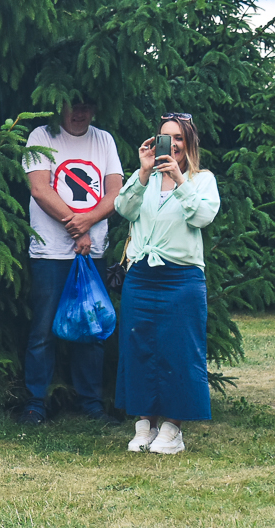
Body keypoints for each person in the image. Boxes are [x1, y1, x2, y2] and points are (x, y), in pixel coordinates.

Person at [114, 113, 220, 454]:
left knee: (179, 351)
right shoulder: (143, 178)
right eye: (165, 137)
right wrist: (144, 173)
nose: (171, 144)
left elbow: (203, 216)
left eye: (178, 138)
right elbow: (123, 208)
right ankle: (144, 425)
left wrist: (179, 180)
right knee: (140, 348)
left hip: (182, 277)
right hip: (142, 276)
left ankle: (172, 428)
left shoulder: (201, 180)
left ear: (189, 143)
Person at [18, 99, 123, 425]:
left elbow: (116, 193)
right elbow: (39, 188)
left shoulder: (103, 140)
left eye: (86, 105)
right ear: (59, 106)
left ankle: (91, 404)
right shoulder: (41, 136)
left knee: (91, 330)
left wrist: (87, 223)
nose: (80, 112)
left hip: (92, 252)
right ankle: (35, 403)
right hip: (50, 252)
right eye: (72, 105)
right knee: (43, 331)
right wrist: (77, 227)